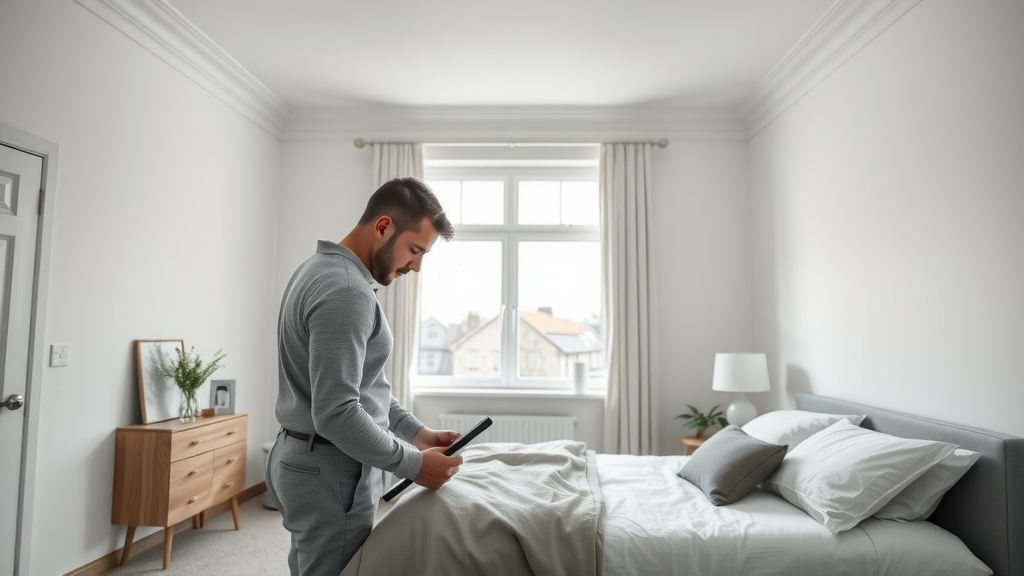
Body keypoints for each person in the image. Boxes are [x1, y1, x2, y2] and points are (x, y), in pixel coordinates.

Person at [266, 177, 462, 576]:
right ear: (383, 227)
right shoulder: (347, 291)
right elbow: (337, 411)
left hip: (304, 459)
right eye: (415, 249)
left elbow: (360, 383)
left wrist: (413, 431)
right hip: (330, 469)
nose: (416, 266)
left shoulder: (318, 268)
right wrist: (412, 464)